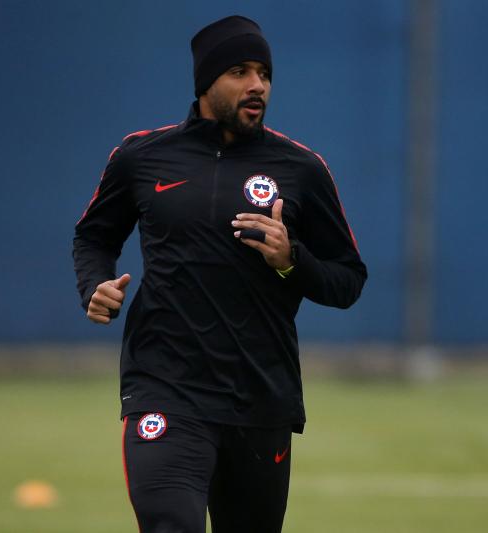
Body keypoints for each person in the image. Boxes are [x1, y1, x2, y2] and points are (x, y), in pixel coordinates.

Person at [73, 15, 366, 533]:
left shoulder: (300, 168)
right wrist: (94, 285)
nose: (257, 85)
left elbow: (348, 280)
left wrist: (291, 260)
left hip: (260, 400)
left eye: (264, 73)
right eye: (240, 71)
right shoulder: (142, 156)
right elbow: (94, 236)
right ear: (206, 83)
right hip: (164, 387)